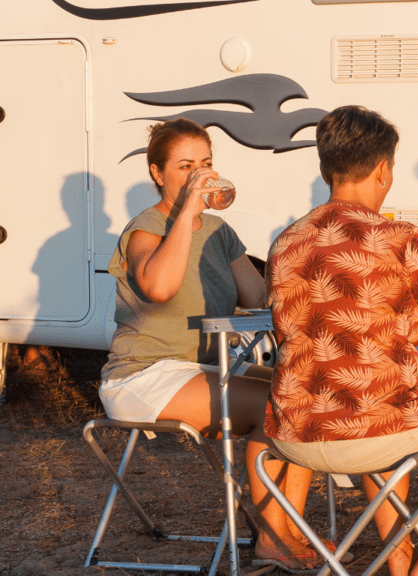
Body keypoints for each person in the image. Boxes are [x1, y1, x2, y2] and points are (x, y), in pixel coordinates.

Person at [263, 105, 418, 576]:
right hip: (376, 430)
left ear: (324, 168)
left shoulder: (285, 242)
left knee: (379, 414)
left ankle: (399, 558)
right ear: (384, 169)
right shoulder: (397, 237)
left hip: (295, 437)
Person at [98, 119, 319, 572]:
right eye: (185, 167)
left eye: (206, 164)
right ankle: (274, 537)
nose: (201, 176)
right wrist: (185, 216)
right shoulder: (147, 228)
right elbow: (159, 287)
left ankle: (288, 529)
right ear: (158, 174)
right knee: (276, 407)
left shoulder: (218, 229)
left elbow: (257, 297)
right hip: (145, 377)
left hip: (205, 369)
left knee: (306, 397)